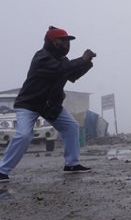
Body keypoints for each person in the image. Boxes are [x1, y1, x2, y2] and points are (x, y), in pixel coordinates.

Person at [0, 26, 96, 183]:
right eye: (62, 40)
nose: (66, 44)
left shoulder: (62, 61)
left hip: (50, 105)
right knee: (24, 135)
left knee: (71, 126)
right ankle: (2, 170)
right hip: (29, 104)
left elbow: (72, 74)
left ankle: (72, 164)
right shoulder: (42, 58)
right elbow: (61, 70)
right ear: (51, 41)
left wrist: (87, 62)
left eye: (67, 41)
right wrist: (82, 59)